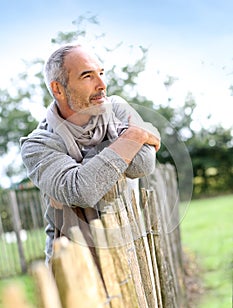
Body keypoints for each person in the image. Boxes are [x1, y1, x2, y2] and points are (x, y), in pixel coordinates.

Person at [20, 44, 161, 265]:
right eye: (87, 76)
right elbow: (82, 191)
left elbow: (142, 164)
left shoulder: (116, 108)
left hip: (128, 250)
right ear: (58, 89)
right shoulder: (37, 145)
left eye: (101, 74)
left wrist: (87, 167)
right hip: (74, 262)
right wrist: (132, 138)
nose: (102, 85)